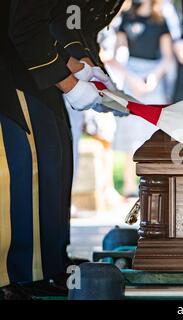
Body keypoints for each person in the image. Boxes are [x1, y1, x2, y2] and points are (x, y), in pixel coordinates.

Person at [0, 0, 122, 299]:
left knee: (54, 160)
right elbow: (25, 27)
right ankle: (12, 274)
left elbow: (62, 21)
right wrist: (70, 83)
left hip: (27, 58)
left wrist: (81, 66)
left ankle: (44, 266)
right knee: (23, 166)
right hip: (12, 64)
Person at [111, 0, 174, 196]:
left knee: (153, 131)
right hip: (131, 74)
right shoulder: (127, 18)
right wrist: (131, 78)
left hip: (153, 75)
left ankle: (155, 183)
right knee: (130, 130)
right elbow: (118, 54)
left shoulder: (161, 20)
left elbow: (167, 57)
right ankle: (130, 186)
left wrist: (153, 77)